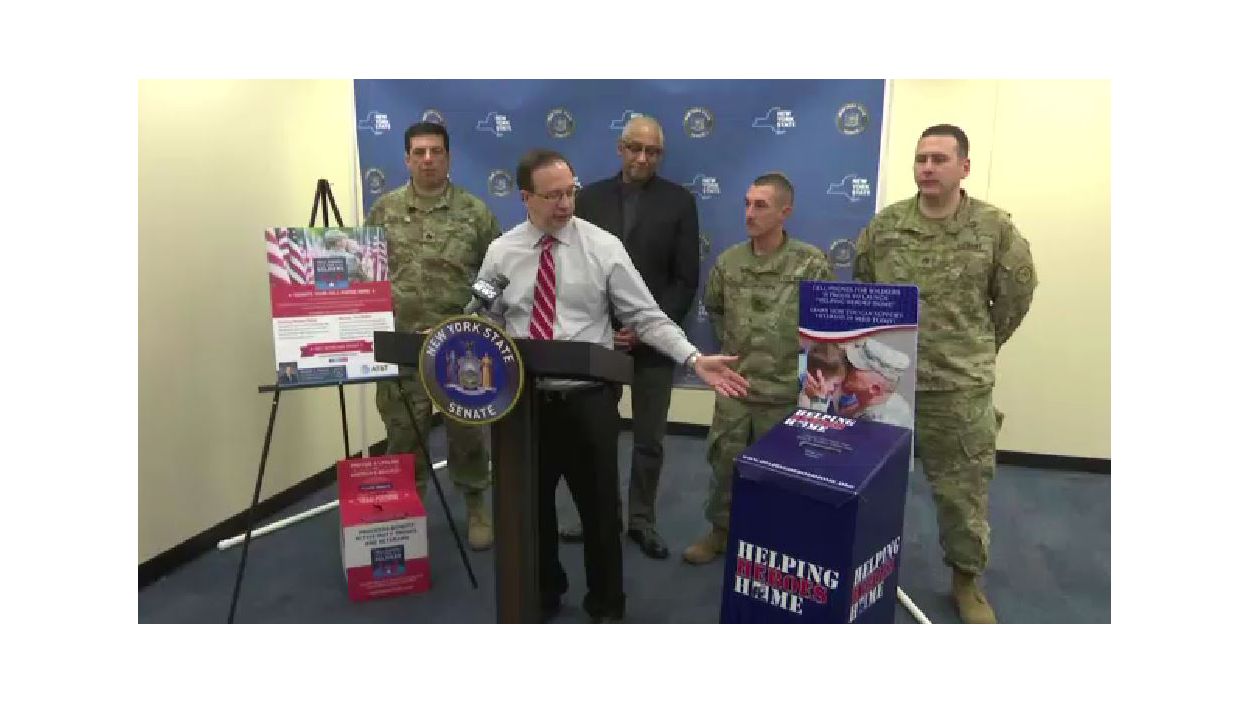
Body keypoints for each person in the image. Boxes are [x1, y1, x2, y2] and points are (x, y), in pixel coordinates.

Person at [476, 148, 748, 623]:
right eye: (553, 195)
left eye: (571, 191)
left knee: (599, 510)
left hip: (589, 400)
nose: (565, 204)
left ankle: (605, 605)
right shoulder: (502, 252)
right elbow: (486, 317)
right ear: (525, 198)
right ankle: (545, 591)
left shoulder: (602, 247)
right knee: (532, 508)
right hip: (524, 404)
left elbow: (645, 315)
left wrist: (693, 357)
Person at [853, 124, 1037, 623]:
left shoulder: (994, 229)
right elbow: (866, 289)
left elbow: (1016, 295)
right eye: (921, 159)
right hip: (888, 383)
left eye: (939, 159)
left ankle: (966, 581)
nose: (927, 168)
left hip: (958, 389)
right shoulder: (886, 227)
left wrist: (976, 346)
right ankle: (863, 566)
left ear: (964, 167)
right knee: (870, 483)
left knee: (962, 495)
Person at [555, 115, 700, 559]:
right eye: (635, 148)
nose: (642, 158)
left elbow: (685, 279)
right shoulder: (588, 199)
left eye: (652, 151)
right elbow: (573, 271)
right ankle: (599, 514)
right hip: (599, 343)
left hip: (653, 345)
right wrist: (607, 329)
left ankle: (641, 519)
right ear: (620, 148)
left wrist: (644, 329)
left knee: (649, 440)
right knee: (594, 436)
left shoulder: (679, 202)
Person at [683, 172, 834, 565]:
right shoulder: (729, 262)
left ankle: (778, 544)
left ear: (785, 212)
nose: (749, 213)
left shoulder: (810, 263)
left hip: (785, 392)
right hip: (737, 387)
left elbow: (824, 327)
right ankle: (721, 531)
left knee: (784, 476)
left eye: (761, 206)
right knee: (726, 464)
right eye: (747, 204)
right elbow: (715, 309)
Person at [365, 121, 503, 551]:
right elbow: (366, 275)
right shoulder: (383, 212)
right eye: (419, 152)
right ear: (406, 159)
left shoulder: (475, 213)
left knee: (467, 433)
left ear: (448, 157)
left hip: (460, 348)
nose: (428, 160)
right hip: (402, 348)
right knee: (403, 434)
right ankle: (405, 515)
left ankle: (476, 504)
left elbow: (496, 278)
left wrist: (471, 320)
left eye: (436, 152)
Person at [839, 338, 913, 429]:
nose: (845, 368)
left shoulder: (877, 426)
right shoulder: (885, 400)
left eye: (853, 367)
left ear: (875, 389)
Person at [798, 342, 853, 413]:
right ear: (818, 378)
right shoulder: (803, 400)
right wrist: (819, 400)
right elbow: (815, 419)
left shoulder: (827, 395)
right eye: (835, 385)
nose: (834, 389)